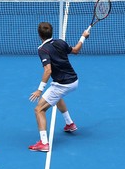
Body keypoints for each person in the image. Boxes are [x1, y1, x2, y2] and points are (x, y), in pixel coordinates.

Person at [28, 22, 90, 152]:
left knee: (39, 110)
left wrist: (39, 89)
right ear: (51, 32)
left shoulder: (42, 49)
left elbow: (48, 71)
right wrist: (83, 37)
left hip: (63, 84)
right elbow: (76, 50)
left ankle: (44, 143)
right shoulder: (60, 42)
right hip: (73, 80)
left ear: (40, 35)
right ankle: (70, 124)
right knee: (55, 96)